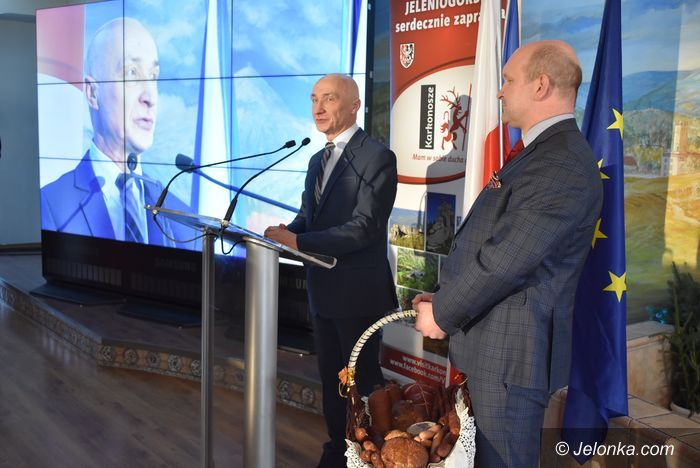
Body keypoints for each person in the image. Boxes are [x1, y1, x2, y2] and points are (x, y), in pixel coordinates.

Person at [413, 40, 603, 467]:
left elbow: (505, 261)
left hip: (511, 362)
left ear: (540, 85)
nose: (500, 91)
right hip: (495, 355)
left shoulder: (560, 162)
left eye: (508, 80)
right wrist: (444, 299)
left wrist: (443, 313)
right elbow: (497, 244)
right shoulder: (542, 153)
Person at [265, 73, 398, 468]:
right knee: (330, 380)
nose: (318, 108)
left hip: (358, 296)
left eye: (329, 98)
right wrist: (287, 231)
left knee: (362, 383)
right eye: (313, 99)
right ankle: (338, 450)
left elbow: (365, 228)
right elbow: (310, 216)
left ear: (355, 105)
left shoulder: (376, 157)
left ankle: (369, 455)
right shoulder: (315, 160)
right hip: (322, 291)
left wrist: (299, 242)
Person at [40, 17, 188, 246]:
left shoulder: (183, 220)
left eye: (153, 76)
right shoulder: (52, 205)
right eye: (132, 72)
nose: (150, 97)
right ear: (92, 93)